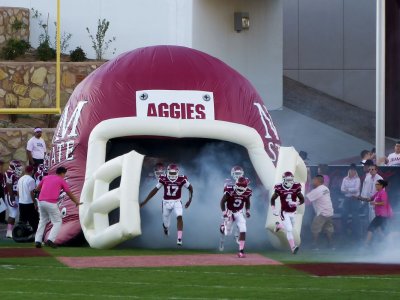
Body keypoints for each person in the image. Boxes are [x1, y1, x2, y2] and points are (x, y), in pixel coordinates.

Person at [140, 163, 193, 246]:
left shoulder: (182, 179)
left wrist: (190, 200)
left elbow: (190, 188)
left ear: (177, 172)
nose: (172, 175)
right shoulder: (163, 178)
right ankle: (165, 228)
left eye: (174, 173)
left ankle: (179, 238)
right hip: (166, 202)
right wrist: (145, 201)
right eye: (171, 173)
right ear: (167, 172)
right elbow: (155, 190)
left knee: (179, 216)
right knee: (166, 224)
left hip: (177, 201)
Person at [34, 166, 81, 248]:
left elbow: (37, 189)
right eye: (64, 174)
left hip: (41, 202)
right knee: (57, 222)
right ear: (62, 173)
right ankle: (50, 240)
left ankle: (37, 241)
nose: (64, 175)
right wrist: (76, 202)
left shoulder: (46, 178)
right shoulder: (61, 180)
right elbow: (69, 193)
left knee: (42, 221)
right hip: (51, 202)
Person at [271, 171, 305, 254]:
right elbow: (272, 199)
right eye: (288, 180)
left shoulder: (296, 186)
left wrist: (296, 203)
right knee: (289, 229)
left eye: (291, 180)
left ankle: (279, 225)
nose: (290, 182)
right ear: (284, 180)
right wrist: (273, 209)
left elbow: (302, 199)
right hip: (284, 212)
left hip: (293, 212)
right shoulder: (279, 187)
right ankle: (293, 247)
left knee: (290, 226)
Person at [219, 177, 251, 257]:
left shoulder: (247, 191)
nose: (240, 191)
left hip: (239, 212)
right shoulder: (230, 190)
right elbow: (222, 202)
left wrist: (247, 211)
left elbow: (247, 202)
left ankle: (241, 251)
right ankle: (222, 227)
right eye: (239, 189)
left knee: (243, 229)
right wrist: (224, 213)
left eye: (242, 189)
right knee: (227, 233)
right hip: (229, 211)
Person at [359, 179, 393, 246]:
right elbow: (370, 199)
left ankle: (365, 245)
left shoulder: (383, 193)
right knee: (379, 230)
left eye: (377, 184)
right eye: (375, 184)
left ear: (381, 186)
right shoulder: (378, 193)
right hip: (379, 215)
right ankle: (387, 244)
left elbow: (384, 203)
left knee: (370, 228)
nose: (375, 186)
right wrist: (360, 198)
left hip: (382, 215)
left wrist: (375, 203)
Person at [306, 175, 334, 250]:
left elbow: (306, 198)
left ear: (318, 181)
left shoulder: (317, 190)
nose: (312, 181)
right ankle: (330, 245)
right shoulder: (325, 188)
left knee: (315, 229)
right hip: (329, 212)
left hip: (322, 213)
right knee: (328, 229)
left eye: (314, 180)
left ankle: (314, 246)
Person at [3, 160, 23, 238]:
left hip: (14, 195)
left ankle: (9, 231)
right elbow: (9, 185)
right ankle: (9, 232)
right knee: (13, 213)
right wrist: (12, 198)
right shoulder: (9, 173)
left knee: (14, 213)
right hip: (10, 195)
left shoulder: (13, 173)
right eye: (17, 167)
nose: (19, 169)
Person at [340, 164, 361, 240]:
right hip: (347, 199)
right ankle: (344, 233)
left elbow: (356, 189)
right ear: (349, 170)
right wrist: (350, 190)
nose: (352, 172)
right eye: (351, 170)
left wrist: (347, 189)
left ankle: (356, 234)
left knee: (355, 216)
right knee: (344, 215)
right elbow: (342, 189)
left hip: (355, 199)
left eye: (354, 170)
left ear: (355, 171)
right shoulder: (345, 179)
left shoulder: (357, 179)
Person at [17, 165, 39, 232]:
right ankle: (35, 233)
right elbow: (31, 193)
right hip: (29, 202)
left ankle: (21, 233)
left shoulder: (20, 179)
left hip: (21, 202)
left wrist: (20, 199)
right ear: (32, 171)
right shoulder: (31, 180)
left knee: (22, 220)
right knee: (33, 219)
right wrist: (35, 202)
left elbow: (18, 191)